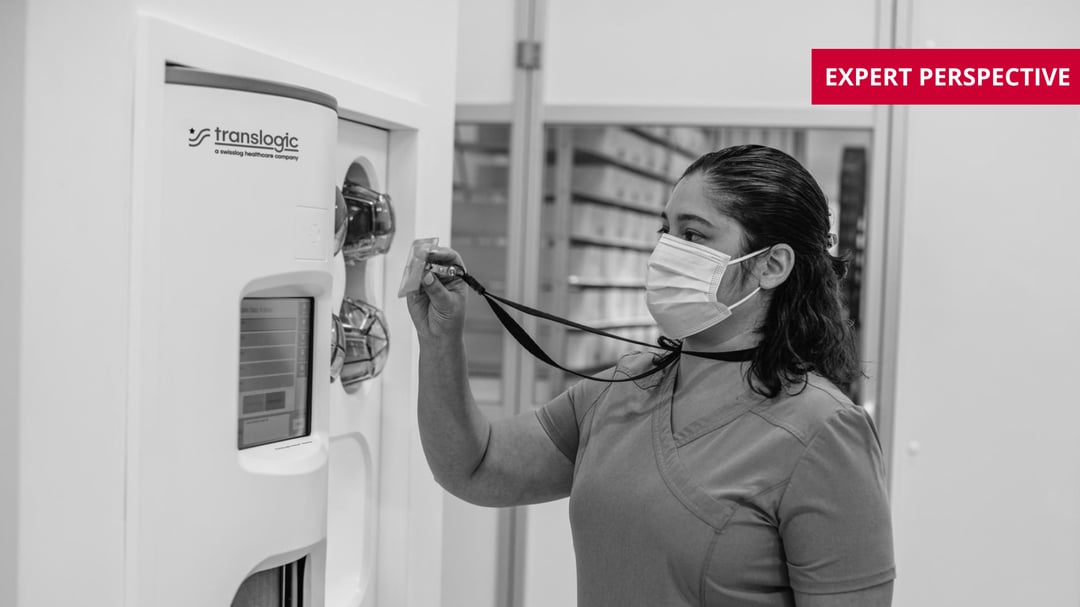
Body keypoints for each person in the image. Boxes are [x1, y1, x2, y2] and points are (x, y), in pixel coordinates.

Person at [407, 144, 895, 607]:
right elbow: (476, 467)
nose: (666, 251)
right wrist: (440, 340)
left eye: (693, 234)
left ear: (771, 264)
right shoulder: (621, 389)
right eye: (666, 231)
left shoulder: (824, 431)